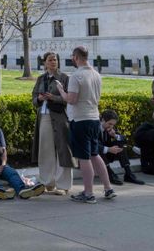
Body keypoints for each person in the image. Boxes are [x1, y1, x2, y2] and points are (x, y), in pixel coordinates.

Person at [56, 46, 116, 204]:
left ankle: (88, 193)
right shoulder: (96, 74)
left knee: (84, 158)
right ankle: (108, 188)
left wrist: (61, 91)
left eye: (72, 57)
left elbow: (72, 99)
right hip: (94, 119)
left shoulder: (76, 76)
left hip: (80, 120)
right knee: (95, 155)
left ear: (76, 57)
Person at [30, 51, 73, 195]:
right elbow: (34, 98)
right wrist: (40, 99)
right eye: (50, 60)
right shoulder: (41, 79)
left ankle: (63, 185)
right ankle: (47, 181)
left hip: (60, 117)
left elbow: (70, 99)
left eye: (55, 60)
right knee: (45, 150)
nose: (53, 62)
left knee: (62, 150)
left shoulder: (64, 78)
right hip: (44, 117)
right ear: (45, 63)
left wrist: (53, 97)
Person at [98, 110, 144, 185]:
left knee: (120, 145)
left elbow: (124, 139)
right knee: (100, 149)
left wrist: (115, 136)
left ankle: (128, 174)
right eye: (110, 124)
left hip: (107, 155)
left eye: (113, 124)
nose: (111, 126)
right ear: (102, 120)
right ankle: (110, 174)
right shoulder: (94, 127)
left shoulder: (110, 127)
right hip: (94, 158)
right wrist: (109, 149)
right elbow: (94, 146)